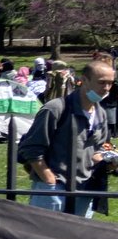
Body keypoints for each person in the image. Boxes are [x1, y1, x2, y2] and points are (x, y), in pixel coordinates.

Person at [17, 61, 116, 217]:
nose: (106, 88)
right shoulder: (55, 108)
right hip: (54, 189)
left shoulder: (101, 113)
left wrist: (109, 160)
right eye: (101, 82)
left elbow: (96, 151)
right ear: (83, 80)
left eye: (110, 83)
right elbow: (31, 148)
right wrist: (48, 179)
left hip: (85, 188)